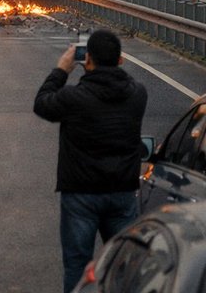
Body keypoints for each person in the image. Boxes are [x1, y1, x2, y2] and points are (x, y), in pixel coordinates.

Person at [33, 28, 148, 293]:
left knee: (77, 264)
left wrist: (62, 69)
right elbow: (122, 82)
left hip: (81, 195)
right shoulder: (137, 95)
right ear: (121, 61)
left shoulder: (73, 98)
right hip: (121, 193)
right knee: (124, 265)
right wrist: (107, 66)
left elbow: (42, 103)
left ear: (88, 60)